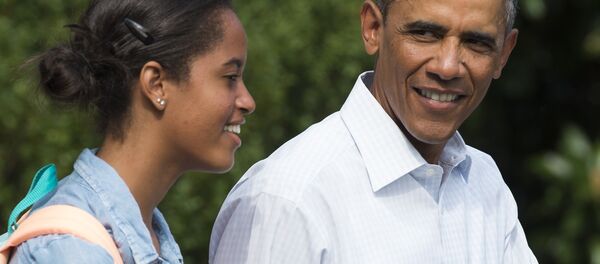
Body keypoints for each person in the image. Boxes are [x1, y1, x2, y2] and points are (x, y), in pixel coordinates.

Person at [210, 0, 537, 263]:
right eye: (425, 33)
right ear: (373, 28)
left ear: (504, 54)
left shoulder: (483, 182)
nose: (447, 66)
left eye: (476, 42)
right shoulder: (289, 199)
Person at [9, 0, 255, 263]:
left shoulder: (145, 237)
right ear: (157, 85)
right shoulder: (70, 250)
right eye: (230, 77)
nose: (248, 102)